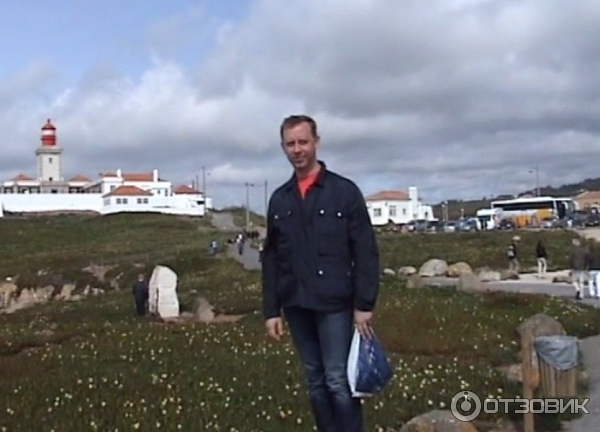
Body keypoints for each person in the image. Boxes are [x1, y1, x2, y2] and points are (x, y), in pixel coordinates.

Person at [261, 115, 379, 432]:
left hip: (335, 303)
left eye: (303, 142)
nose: (297, 149)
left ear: (316, 142)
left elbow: (365, 250)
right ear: (283, 147)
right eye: (290, 143)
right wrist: (271, 310)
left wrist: (364, 305)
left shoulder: (344, 191)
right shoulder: (280, 199)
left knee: (338, 380)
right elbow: (271, 257)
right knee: (315, 381)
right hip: (296, 303)